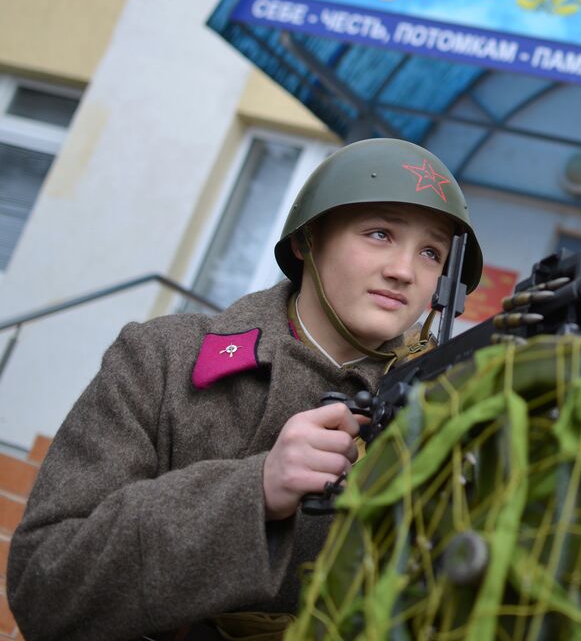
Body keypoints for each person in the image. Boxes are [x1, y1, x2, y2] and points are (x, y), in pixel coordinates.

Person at [6, 138, 482, 641]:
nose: (404, 271)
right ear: (307, 241)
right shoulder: (162, 357)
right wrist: (252, 492)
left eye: (432, 253)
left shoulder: (440, 417)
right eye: (380, 233)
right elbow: (46, 585)